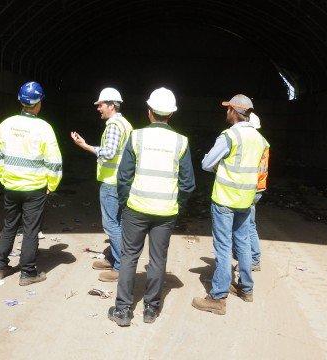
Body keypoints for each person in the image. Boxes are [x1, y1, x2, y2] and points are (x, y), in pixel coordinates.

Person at [108, 87, 195, 326]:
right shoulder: (181, 141)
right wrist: (176, 204)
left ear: (149, 112)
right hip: (165, 212)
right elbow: (188, 183)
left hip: (136, 208)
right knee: (158, 260)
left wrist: (126, 202)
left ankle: (123, 310)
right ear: (171, 115)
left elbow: (123, 176)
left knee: (129, 257)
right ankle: (150, 309)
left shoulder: (136, 137)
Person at [192, 94, 268, 315]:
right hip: (246, 199)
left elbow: (207, 163)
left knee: (223, 247)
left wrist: (219, 168)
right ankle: (246, 289)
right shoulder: (259, 139)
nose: (226, 112)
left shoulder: (229, 135)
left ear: (234, 111)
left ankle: (217, 297)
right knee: (243, 243)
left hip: (225, 198)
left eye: (228, 109)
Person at [0, 81, 62, 286]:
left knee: (9, 225)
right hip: (35, 188)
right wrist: (53, 184)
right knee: (31, 229)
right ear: (39, 103)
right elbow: (54, 161)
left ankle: (0, 267)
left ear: (20, 101)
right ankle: (28, 272)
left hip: (11, 186)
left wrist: (4, 179)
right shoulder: (44, 128)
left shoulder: (5, 124)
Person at [71, 88, 133, 282]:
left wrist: (85, 146)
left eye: (101, 104)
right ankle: (115, 258)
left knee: (111, 224)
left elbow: (109, 152)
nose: (98, 108)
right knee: (118, 222)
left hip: (111, 181)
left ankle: (119, 266)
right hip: (120, 180)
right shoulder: (125, 124)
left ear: (112, 105)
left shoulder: (114, 124)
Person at [233, 113, 270, 272]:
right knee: (249, 225)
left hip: (251, 188)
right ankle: (252, 258)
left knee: (246, 226)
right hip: (258, 187)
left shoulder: (253, 143)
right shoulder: (263, 142)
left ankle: (253, 259)